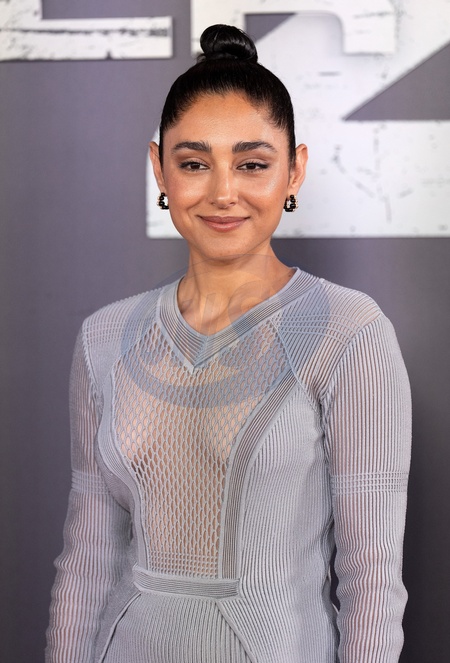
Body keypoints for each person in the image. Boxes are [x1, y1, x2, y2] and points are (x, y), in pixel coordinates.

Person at [45, 24, 411, 663]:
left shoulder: (348, 333)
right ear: (159, 167)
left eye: (252, 164)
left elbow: (372, 582)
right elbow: (87, 559)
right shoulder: (104, 338)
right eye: (194, 163)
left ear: (294, 170)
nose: (222, 193)